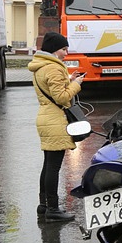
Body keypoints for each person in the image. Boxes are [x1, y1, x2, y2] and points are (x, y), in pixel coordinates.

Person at [29, 32, 84, 222]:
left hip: (46, 117)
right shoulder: (53, 68)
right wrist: (76, 84)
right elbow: (61, 97)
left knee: (48, 165)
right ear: (54, 49)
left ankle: (43, 206)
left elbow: (53, 91)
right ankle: (53, 209)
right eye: (63, 49)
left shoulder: (42, 66)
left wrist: (68, 80)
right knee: (53, 167)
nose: (66, 53)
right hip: (55, 120)